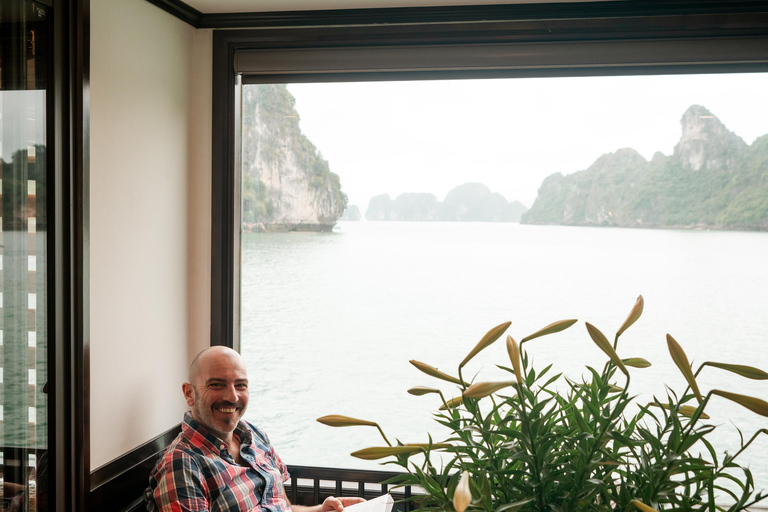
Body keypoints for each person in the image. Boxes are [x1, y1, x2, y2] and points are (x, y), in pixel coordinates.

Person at [145, 346, 364, 512]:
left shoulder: (254, 435)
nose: (232, 396)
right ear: (189, 393)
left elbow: (282, 507)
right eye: (217, 384)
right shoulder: (183, 464)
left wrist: (320, 510)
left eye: (240, 385)